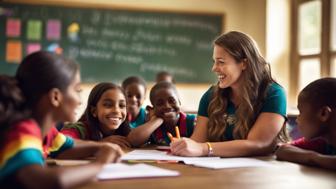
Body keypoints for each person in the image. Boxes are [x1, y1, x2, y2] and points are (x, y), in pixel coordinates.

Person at [0, 51, 123, 189]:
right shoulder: (21, 132)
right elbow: (49, 181)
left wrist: (103, 147)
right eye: (77, 90)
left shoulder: (46, 132)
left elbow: (67, 148)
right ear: (56, 97)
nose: (80, 101)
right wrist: (101, 164)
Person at [170, 31, 287, 157]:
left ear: (244, 63)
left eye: (221, 62)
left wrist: (204, 149)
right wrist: (183, 146)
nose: (214, 68)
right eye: (214, 61)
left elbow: (257, 144)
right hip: (215, 171)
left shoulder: (274, 94)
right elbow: (198, 140)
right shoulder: (210, 96)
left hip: (259, 172)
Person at [275, 78, 336, 170]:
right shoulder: (323, 142)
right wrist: (315, 158)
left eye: (301, 112)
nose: (297, 120)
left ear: (324, 114)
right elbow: (282, 150)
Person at [61, 82, 131, 148]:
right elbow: (60, 144)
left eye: (122, 105)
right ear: (94, 111)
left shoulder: (125, 130)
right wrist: (100, 144)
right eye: (108, 105)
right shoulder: (78, 130)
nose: (116, 110)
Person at [128, 81, 196, 146]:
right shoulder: (153, 127)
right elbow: (133, 140)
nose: (167, 106)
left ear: (179, 102)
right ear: (152, 109)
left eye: (172, 101)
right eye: (160, 104)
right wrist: (156, 121)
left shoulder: (191, 122)